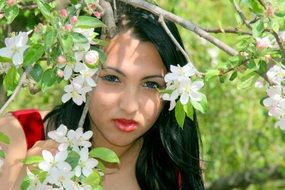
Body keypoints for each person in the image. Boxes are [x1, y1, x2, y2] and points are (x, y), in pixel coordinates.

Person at [0, 3, 204, 190]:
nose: (129, 106)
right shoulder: (17, 137)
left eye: (151, 84)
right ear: (79, 74)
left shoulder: (172, 170)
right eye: (112, 79)